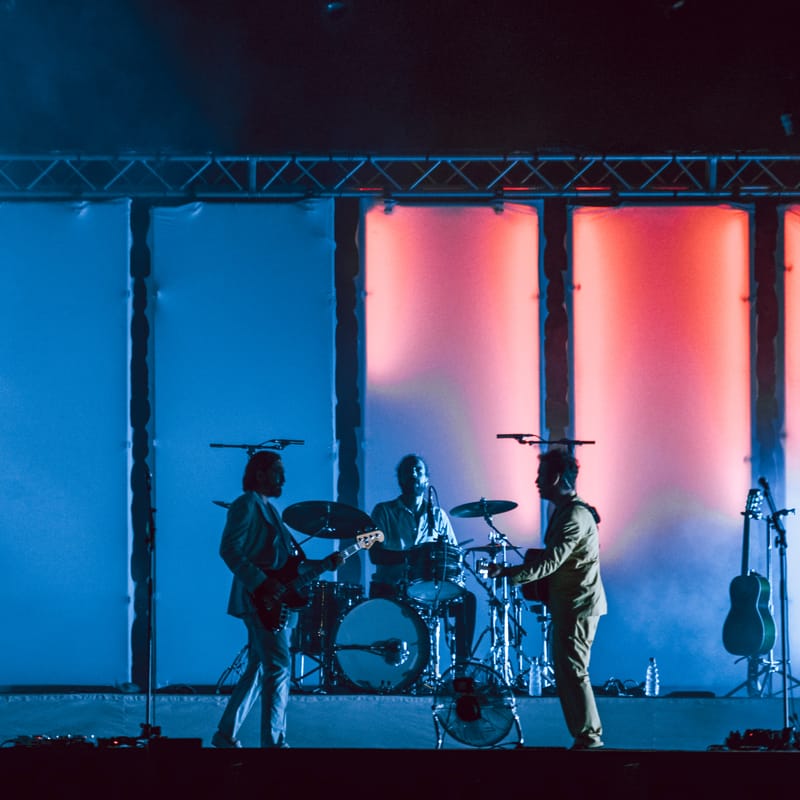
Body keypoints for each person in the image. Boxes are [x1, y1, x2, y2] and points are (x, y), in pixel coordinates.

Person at [211, 450, 341, 748]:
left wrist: (325, 564)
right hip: (259, 600)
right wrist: (263, 584)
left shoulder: (269, 510)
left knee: (259, 667)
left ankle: (225, 735)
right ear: (260, 474)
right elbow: (229, 550)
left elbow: (284, 566)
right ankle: (274, 744)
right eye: (277, 471)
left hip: (269, 600)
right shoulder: (246, 505)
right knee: (279, 666)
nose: (283, 477)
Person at [487, 447, 607, 750]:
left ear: (556, 477)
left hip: (578, 605)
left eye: (541, 476)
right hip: (571, 604)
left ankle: (590, 737)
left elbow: (552, 561)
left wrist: (510, 573)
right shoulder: (570, 513)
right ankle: (585, 736)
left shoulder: (574, 517)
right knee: (568, 671)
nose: (536, 481)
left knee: (574, 671)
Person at [369, 454, 476, 669]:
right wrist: (410, 557)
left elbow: (453, 555)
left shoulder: (438, 515)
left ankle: (462, 666)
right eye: (407, 470)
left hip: (429, 592)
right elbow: (375, 555)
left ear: (427, 479)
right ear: (400, 479)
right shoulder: (383, 511)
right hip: (391, 588)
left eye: (418, 470)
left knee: (467, 600)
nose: (413, 474)